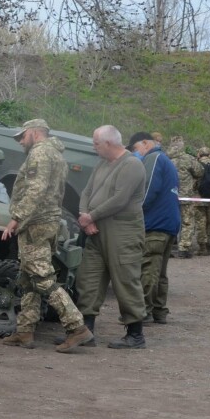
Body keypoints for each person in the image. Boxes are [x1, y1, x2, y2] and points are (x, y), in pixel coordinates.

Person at [0, 119, 91, 352]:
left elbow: (35, 190)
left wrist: (16, 218)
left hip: (36, 224)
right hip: (46, 222)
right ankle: (25, 330)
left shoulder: (40, 154)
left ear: (35, 133)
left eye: (22, 136)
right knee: (28, 277)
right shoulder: (56, 154)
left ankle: (76, 326)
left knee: (42, 277)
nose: (20, 141)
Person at [75, 125, 147, 349]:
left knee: (126, 280)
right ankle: (85, 331)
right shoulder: (102, 164)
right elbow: (86, 191)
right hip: (96, 230)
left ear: (108, 143)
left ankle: (135, 334)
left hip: (122, 233)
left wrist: (91, 216)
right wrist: (85, 216)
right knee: (89, 279)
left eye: (96, 143)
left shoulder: (132, 165)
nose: (93, 148)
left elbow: (120, 199)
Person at [129, 132, 180, 325]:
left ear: (144, 143)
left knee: (148, 267)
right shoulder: (166, 160)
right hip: (169, 224)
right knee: (160, 271)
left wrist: (133, 214)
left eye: (135, 149)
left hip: (155, 224)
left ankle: (142, 311)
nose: (136, 154)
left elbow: (147, 191)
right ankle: (159, 311)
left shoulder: (153, 158)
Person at [168, 136, 201, 259]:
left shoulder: (165, 158)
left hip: (169, 195)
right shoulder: (188, 159)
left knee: (169, 221)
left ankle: (168, 247)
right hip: (185, 194)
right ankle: (184, 247)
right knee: (187, 221)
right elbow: (199, 172)